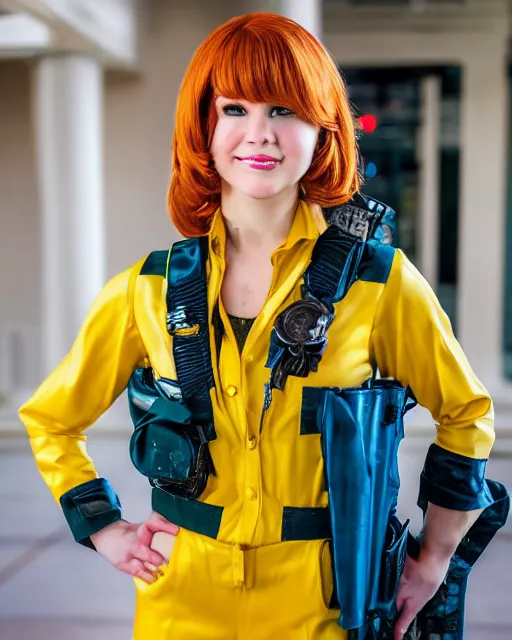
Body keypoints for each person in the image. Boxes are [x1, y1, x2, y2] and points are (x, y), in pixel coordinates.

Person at [18, 12, 504, 640]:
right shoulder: (148, 288)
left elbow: (466, 413)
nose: (260, 135)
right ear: (203, 125)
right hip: (179, 596)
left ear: (321, 128)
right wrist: (103, 527)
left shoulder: (380, 283)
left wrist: (434, 560)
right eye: (235, 109)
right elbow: (52, 419)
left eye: (285, 111)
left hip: (325, 601)